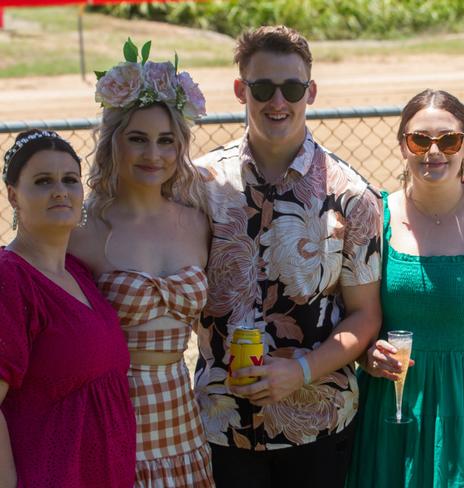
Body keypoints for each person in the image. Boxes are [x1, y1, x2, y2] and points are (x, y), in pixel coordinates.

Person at [193, 25, 382, 488]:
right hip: (220, 424)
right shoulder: (199, 185)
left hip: (318, 423)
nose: (278, 101)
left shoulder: (351, 194)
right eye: (263, 87)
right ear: (241, 90)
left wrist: (299, 371)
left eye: (292, 88)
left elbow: (364, 316)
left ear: (311, 92)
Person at [346, 89, 464, 488]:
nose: (434, 151)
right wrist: (367, 355)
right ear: (402, 145)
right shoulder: (374, 218)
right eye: (419, 139)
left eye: (448, 140)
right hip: (395, 404)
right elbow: (352, 317)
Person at [68, 40, 214, 487]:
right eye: (138, 139)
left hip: (182, 419)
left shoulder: (199, 220)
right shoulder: (82, 228)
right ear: (114, 143)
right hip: (113, 416)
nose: (154, 155)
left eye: (166, 141)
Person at [0, 129, 136, 487]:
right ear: (13, 196)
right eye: (43, 181)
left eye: (70, 180)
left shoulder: (79, 271)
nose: (60, 190)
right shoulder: (10, 278)